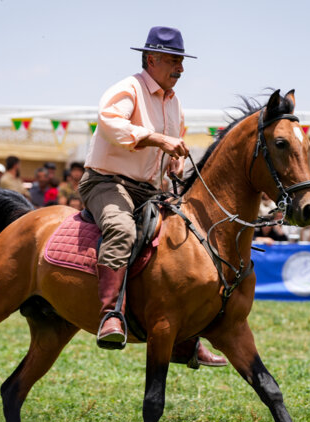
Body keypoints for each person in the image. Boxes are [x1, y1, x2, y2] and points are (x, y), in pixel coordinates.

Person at [77, 26, 226, 367]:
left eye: (182, 61)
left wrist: (172, 162)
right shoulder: (126, 88)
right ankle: (110, 316)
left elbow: (173, 143)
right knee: (121, 230)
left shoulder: (175, 104)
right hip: (105, 182)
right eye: (175, 60)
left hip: (149, 190)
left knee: (187, 243)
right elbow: (110, 124)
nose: (181, 68)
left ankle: (185, 339)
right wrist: (159, 141)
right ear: (152, 58)